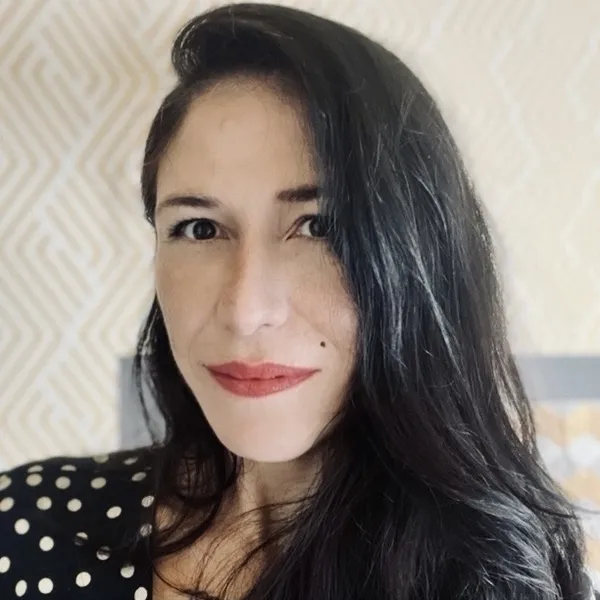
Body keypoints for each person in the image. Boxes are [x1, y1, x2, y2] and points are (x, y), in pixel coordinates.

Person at [0, 2, 598, 599]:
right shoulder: (24, 526)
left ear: (419, 258)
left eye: (319, 226)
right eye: (200, 229)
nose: (245, 311)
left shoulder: (511, 581)